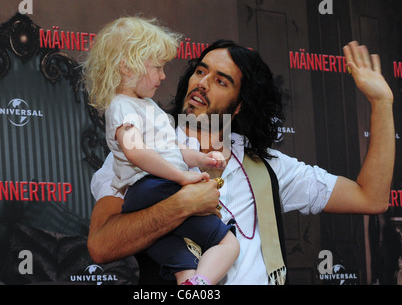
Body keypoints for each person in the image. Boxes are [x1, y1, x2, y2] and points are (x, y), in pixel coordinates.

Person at [87, 38, 394, 285]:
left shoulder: (268, 167)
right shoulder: (141, 152)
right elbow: (101, 246)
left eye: (221, 81)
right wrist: (181, 205)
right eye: (200, 71)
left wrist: (381, 103)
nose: (203, 83)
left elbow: (372, 197)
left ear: (239, 106)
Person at [82, 17, 239, 285]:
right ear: (127, 67)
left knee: (184, 265)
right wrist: (183, 179)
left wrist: (201, 159)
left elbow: (173, 150)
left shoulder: (148, 107)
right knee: (228, 244)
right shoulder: (121, 105)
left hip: (148, 195)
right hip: (153, 189)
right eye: (157, 67)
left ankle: (191, 282)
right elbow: (136, 153)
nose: (164, 75)